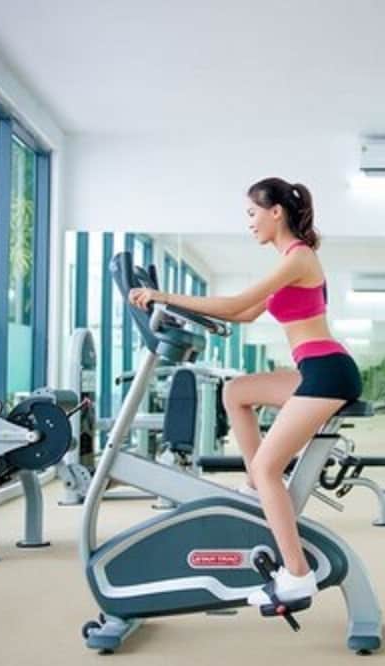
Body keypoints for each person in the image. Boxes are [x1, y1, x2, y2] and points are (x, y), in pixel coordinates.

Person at [128, 177, 362, 606]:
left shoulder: (299, 256)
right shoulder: (289, 262)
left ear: (276, 212)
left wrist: (162, 295)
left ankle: (297, 574)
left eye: (253, 213)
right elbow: (245, 315)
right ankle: (257, 486)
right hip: (314, 368)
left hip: (328, 371)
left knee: (271, 466)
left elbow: (235, 305)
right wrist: (177, 308)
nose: (249, 222)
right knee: (236, 392)